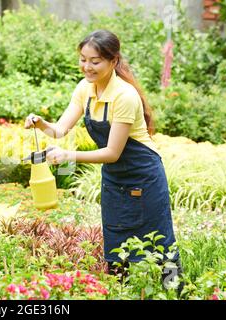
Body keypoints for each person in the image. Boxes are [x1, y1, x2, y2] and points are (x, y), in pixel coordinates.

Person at [24, 29, 183, 293]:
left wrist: (68, 156)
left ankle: (175, 293)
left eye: (95, 61)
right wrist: (41, 124)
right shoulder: (84, 89)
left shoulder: (125, 95)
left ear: (113, 61)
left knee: (162, 245)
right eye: (83, 59)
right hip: (114, 178)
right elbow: (60, 130)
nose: (87, 66)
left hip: (144, 174)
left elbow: (112, 152)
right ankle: (123, 293)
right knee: (116, 244)